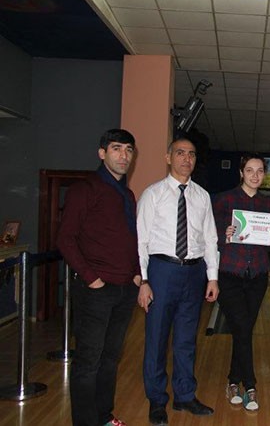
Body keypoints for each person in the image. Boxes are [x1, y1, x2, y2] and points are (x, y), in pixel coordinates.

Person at [57, 129, 139, 426]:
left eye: (128, 150)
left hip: (124, 289)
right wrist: (92, 278)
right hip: (97, 290)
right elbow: (65, 238)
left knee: (110, 359)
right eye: (116, 148)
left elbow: (130, 237)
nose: (124, 155)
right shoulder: (85, 189)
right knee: (88, 362)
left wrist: (137, 274)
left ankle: (104, 417)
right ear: (102, 153)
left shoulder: (127, 194)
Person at [136, 137, 219, 425]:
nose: (186, 159)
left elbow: (210, 238)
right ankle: (157, 400)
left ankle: (185, 395)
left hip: (194, 272)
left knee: (186, 339)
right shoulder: (153, 194)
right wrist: (144, 280)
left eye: (191, 154)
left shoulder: (202, 196)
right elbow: (141, 240)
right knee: (157, 338)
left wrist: (212, 277)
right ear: (168, 157)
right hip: (162, 270)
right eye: (180, 153)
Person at [213, 153, 270, 412]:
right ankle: (250, 385)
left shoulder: (268, 205)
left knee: (244, 330)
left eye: (259, 170)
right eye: (249, 170)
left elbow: (268, 247)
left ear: (264, 174)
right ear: (241, 173)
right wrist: (224, 234)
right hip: (230, 275)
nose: (254, 175)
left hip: (257, 276)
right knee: (241, 326)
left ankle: (232, 380)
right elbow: (210, 235)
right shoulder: (224, 200)